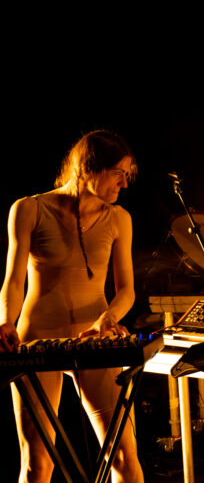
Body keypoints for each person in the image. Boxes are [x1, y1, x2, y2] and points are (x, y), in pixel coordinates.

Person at [0, 130, 143, 482]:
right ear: (88, 167)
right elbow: (14, 280)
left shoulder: (120, 219)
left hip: (94, 337)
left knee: (123, 456)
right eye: (118, 173)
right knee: (38, 462)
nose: (124, 184)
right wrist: (6, 322)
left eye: (128, 175)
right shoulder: (29, 208)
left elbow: (127, 290)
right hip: (38, 336)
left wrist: (108, 319)